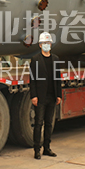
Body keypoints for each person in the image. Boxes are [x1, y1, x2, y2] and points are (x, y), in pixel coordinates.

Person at [29, 32, 61, 160]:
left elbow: (58, 78)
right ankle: (37, 149)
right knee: (38, 123)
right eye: (44, 43)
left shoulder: (56, 59)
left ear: (51, 44)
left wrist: (59, 95)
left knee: (49, 123)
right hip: (40, 97)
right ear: (40, 45)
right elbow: (32, 79)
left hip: (52, 96)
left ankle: (47, 148)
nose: (46, 45)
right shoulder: (35, 60)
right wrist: (34, 96)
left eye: (48, 43)